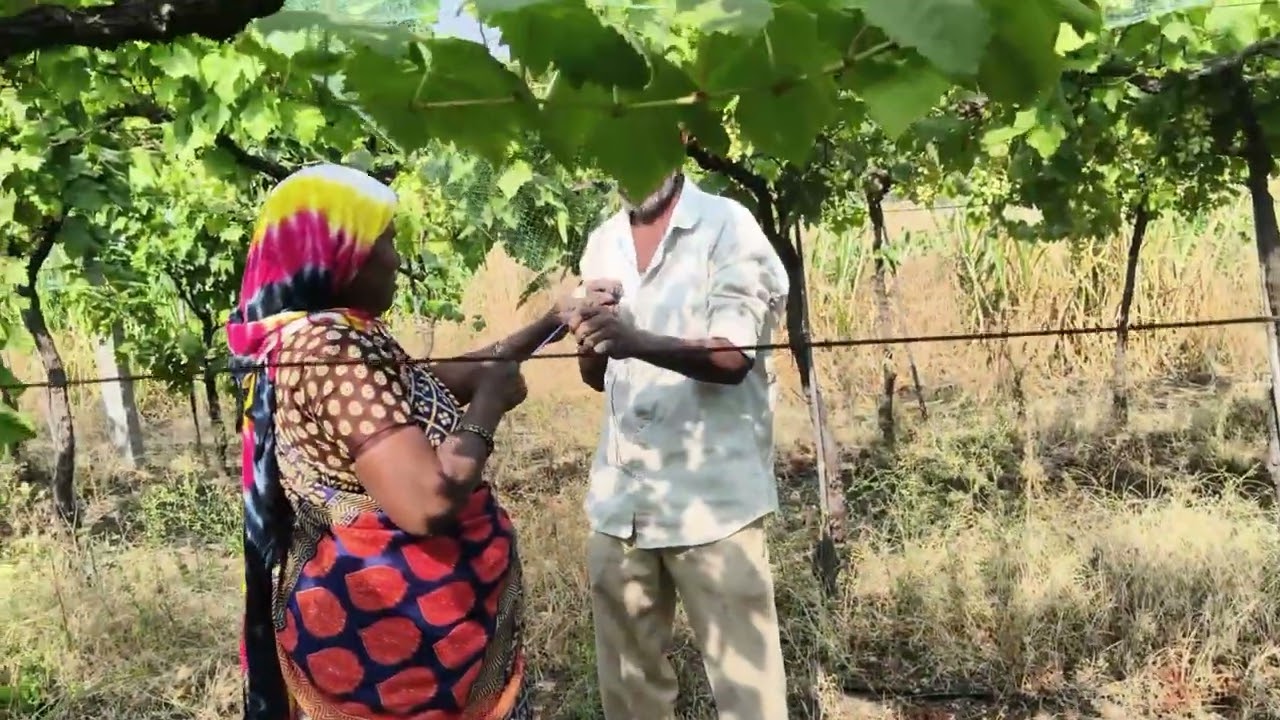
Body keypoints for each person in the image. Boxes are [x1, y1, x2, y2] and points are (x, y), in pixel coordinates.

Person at [227, 163, 612, 720]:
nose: (396, 259)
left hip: (400, 631)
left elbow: (427, 383)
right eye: (385, 241)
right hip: (395, 642)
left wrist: (553, 320)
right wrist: (488, 407)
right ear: (344, 253)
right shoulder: (333, 350)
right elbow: (424, 504)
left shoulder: (338, 333)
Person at [568, 169, 791, 720]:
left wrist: (635, 340)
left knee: (749, 694)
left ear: (680, 137)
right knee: (630, 692)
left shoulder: (727, 225)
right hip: (622, 503)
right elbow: (596, 375)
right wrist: (592, 334)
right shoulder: (603, 241)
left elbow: (734, 357)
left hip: (713, 503)